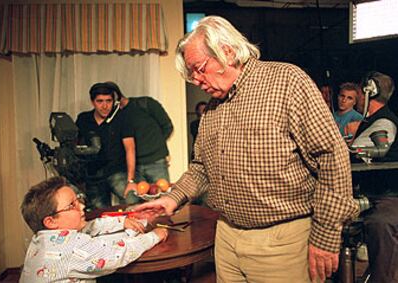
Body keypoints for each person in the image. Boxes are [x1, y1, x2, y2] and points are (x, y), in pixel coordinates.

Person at [134, 16, 358, 283]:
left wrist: (326, 236)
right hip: (227, 236)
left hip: (282, 241)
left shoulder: (286, 82)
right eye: (191, 74)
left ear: (227, 52)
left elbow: (332, 157)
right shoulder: (214, 106)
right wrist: (171, 199)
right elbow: (201, 167)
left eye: (199, 68)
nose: (195, 80)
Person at [19, 176, 168, 282]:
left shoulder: (42, 240)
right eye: (72, 205)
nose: (82, 206)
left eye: (79, 201)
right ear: (51, 221)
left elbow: (91, 227)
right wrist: (154, 236)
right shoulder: (70, 247)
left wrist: (123, 222)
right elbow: (118, 253)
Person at [349, 71, 398, 283]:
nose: (358, 97)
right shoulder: (370, 121)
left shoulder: (384, 122)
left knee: (381, 223)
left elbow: (370, 149)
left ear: (370, 91)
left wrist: (349, 146)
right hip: (369, 192)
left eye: (359, 92)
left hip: (386, 195)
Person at [104, 82, 173, 200]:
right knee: (137, 203)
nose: (105, 105)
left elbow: (167, 126)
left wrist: (156, 146)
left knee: (163, 199)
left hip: (156, 162)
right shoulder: (114, 116)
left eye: (109, 100)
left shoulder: (145, 104)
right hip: (133, 167)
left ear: (116, 96)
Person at [76, 83, 136, 208]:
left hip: (117, 171)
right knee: (100, 215)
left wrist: (131, 180)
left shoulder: (122, 118)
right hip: (93, 175)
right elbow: (76, 147)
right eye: (100, 101)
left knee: (134, 203)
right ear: (92, 102)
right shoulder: (83, 119)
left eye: (108, 101)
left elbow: (130, 149)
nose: (105, 106)